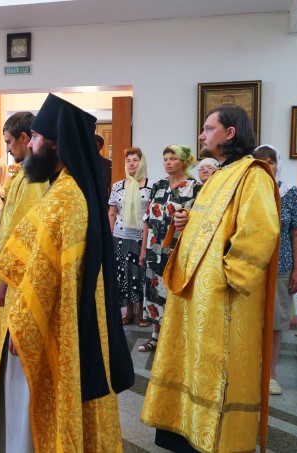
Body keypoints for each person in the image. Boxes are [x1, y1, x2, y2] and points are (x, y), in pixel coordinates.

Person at [0, 94, 133, 451]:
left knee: (32, 405)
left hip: (48, 322)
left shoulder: (65, 197)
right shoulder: (68, 187)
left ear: (54, 143)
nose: (29, 144)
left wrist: (23, 326)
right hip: (58, 315)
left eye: (36, 137)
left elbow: (45, 271)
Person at [141, 104, 279, 452]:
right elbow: (214, 227)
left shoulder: (253, 175)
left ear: (230, 133)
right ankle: (188, 430)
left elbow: (259, 232)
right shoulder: (219, 174)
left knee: (216, 373)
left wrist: (227, 278)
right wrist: (186, 224)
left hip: (221, 299)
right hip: (195, 295)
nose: (201, 135)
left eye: (208, 129)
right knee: (191, 365)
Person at [0, 112, 49, 398]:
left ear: (25, 138)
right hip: (11, 273)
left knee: (16, 344)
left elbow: (25, 235)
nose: (7, 148)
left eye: (9, 141)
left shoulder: (33, 179)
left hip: (18, 280)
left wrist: (6, 280)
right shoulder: (25, 174)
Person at [137, 145, 200, 354]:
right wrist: (143, 250)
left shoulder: (195, 187)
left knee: (175, 294)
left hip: (178, 251)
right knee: (154, 293)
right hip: (154, 250)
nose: (168, 162)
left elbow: (199, 222)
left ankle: (175, 340)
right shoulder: (158, 185)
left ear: (184, 162)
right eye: (165, 159)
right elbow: (147, 220)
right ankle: (155, 337)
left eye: (173, 158)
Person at [252, 145, 297, 395]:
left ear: (277, 164)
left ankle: (270, 376)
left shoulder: (289, 192)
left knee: (274, 323)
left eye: (270, 161)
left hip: (280, 267)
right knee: (247, 322)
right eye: (260, 161)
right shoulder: (246, 190)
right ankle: (248, 373)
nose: (266, 166)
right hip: (248, 267)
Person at [108, 147, 151, 325]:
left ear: (142, 163)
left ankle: (142, 314)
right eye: (128, 161)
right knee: (123, 275)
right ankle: (129, 313)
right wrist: (109, 237)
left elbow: (151, 215)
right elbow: (112, 213)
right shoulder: (118, 186)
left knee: (139, 274)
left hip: (141, 237)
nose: (132, 164)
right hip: (120, 236)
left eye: (135, 160)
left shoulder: (152, 185)